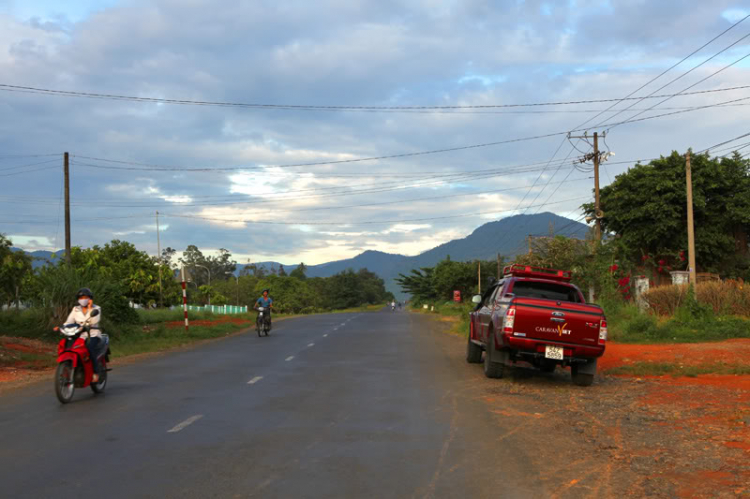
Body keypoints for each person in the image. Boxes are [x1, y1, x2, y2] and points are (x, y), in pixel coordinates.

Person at [64, 288, 103, 382]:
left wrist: (90, 308)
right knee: (70, 348)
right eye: (81, 297)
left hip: (93, 334)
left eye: (86, 297)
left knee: (89, 349)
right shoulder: (75, 309)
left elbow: (94, 321)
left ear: (90, 298)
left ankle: (95, 372)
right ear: (78, 299)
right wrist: (63, 327)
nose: (83, 299)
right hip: (81, 335)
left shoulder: (96, 308)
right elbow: (69, 321)